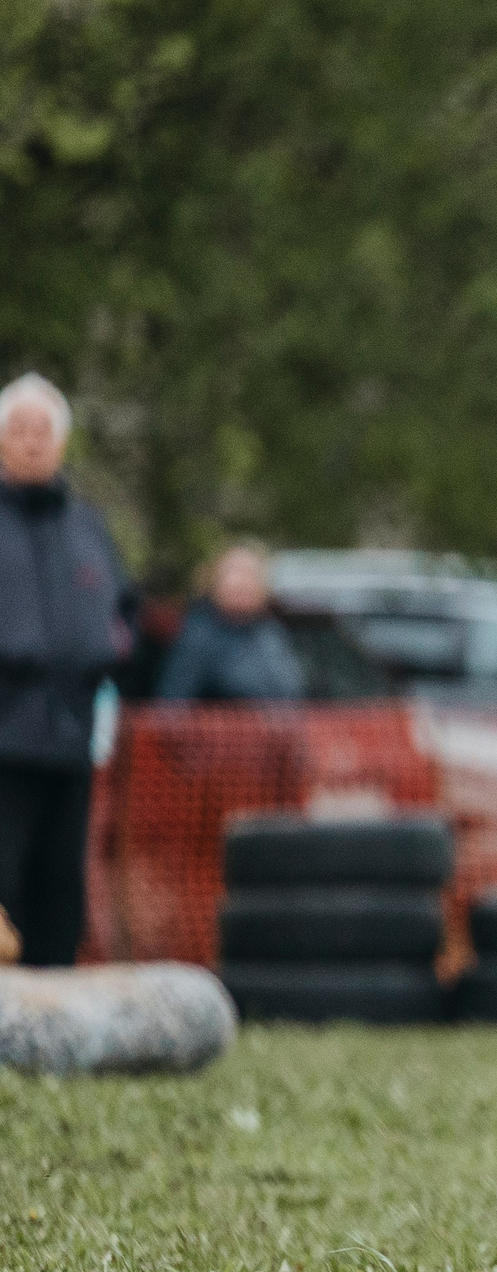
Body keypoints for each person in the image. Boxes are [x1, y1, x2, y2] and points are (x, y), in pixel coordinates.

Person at [0, 372, 135, 966]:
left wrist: (111, 652)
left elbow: (122, 611)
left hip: (70, 736)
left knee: (60, 888)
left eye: (43, 430)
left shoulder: (88, 528)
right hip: (3, 741)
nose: (32, 441)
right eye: (19, 429)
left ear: (60, 443)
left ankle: (52, 1016)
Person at [158, 544, 304, 701]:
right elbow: (173, 704)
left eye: (249, 575)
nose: (241, 582)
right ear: (215, 582)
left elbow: (290, 690)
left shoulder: (270, 633)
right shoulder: (198, 636)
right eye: (233, 574)